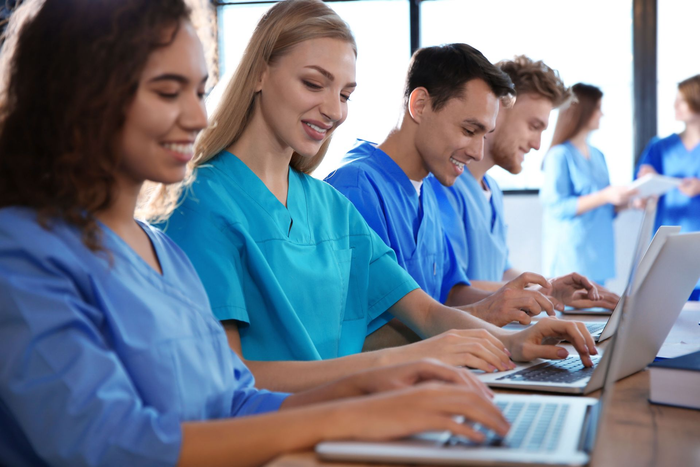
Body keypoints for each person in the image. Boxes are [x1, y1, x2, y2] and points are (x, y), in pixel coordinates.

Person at [0, 1, 515, 465]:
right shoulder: (21, 255)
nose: (197, 115)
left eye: (199, 91)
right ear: (79, 92)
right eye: (167, 91)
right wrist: (350, 413)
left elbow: (234, 399)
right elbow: (108, 444)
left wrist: (375, 387)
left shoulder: (157, 251)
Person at [151, 1, 597, 393]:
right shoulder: (203, 202)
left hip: (348, 415)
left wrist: (515, 342)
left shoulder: (326, 205)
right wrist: (397, 363)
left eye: (345, 94)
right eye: (313, 84)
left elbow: (426, 311)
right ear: (260, 74)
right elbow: (229, 381)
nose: (334, 110)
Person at [428, 56, 619, 309]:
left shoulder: (492, 190)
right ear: (498, 109)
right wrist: (544, 294)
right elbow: (452, 288)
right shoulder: (443, 186)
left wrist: (551, 287)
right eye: (533, 126)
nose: (538, 144)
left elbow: (502, 272)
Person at [540, 83, 636, 285]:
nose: (602, 114)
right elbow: (556, 206)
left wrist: (628, 203)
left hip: (599, 256)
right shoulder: (559, 155)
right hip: (572, 256)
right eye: (598, 108)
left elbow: (604, 208)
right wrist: (604, 196)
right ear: (584, 111)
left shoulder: (599, 155)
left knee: (598, 313)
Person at [638, 74, 700, 299]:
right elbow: (637, 196)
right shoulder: (659, 148)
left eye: (681, 100)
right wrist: (646, 185)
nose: (675, 106)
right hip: (670, 252)